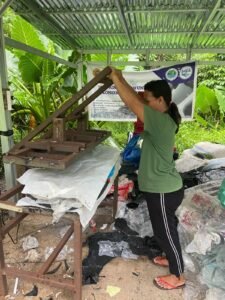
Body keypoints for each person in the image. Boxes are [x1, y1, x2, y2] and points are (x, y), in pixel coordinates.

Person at [108, 67, 185, 290]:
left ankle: (178, 275)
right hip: (163, 188)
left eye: (149, 99)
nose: (145, 102)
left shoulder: (160, 120)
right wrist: (120, 78)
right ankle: (169, 257)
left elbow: (133, 103)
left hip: (163, 191)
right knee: (164, 229)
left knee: (165, 232)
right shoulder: (162, 116)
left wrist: (115, 79)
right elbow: (136, 99)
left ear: (160, 100)